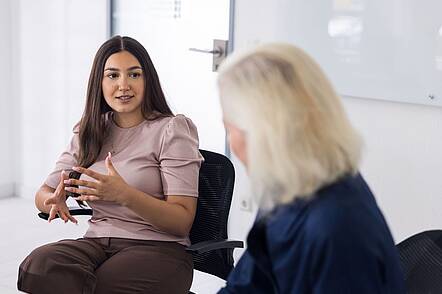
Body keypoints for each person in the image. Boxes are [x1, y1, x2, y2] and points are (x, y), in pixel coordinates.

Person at [17, 35, 203, 294]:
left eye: (134, 75)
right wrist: (51, 200)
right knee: (39, 266)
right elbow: (44, 192)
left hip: (159, 249)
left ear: (148, 80)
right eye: (113, 75)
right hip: (97, 243)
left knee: (102, 285)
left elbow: (181, 220)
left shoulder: (171, 129)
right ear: (100, 83)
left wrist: (124, 195)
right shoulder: (90, 131)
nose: (124, 85)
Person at [216, 43, 405, 293]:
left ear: (263, 135)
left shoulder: (336, 228)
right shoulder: (289, 189)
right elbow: (248, 285)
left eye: (230, 129)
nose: (232, 142)